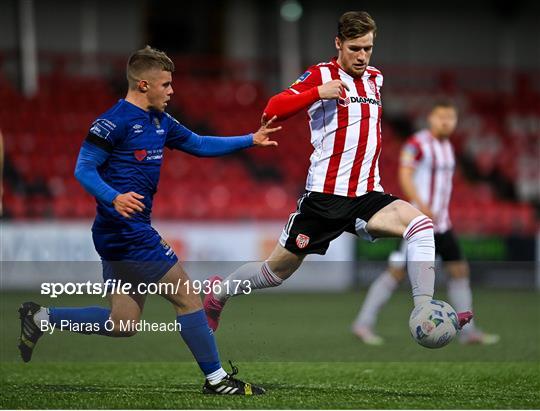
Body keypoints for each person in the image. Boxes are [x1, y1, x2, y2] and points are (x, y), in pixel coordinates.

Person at [17, 46, 281, 395]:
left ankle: (41, 317)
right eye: (166, 84)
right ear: (144, 85)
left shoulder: (161, 121)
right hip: (125, 230)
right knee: (187, 296)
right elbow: (83, 168)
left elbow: (199, 144)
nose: (172, 91)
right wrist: (114, 196)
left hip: (118, 232)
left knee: (122, 323)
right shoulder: (113, 122)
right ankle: (217, 380)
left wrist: (251, 139)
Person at [203, 11, 473, 334]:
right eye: (355, 48)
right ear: (338, 43)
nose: (362, 56)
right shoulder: (320, 75)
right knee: (275, 273)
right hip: (325, 198)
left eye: (368, 48)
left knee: (420, 225)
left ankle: (424, 311)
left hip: (367, 195)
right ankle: (219, 293)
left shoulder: (376, 79)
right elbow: (272, 109)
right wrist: (317, 93)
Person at [352, 101, 500, 345]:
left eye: (451, 118)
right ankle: (363, 322)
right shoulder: (417, 143)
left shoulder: (448, 148)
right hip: (419, 223)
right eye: (442, 117)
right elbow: (405, 174)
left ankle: (468, 332)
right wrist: (420, 202)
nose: (446, 122)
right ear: (431, 119)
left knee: (459, 270)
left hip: (443, 223)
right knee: (396, 272)